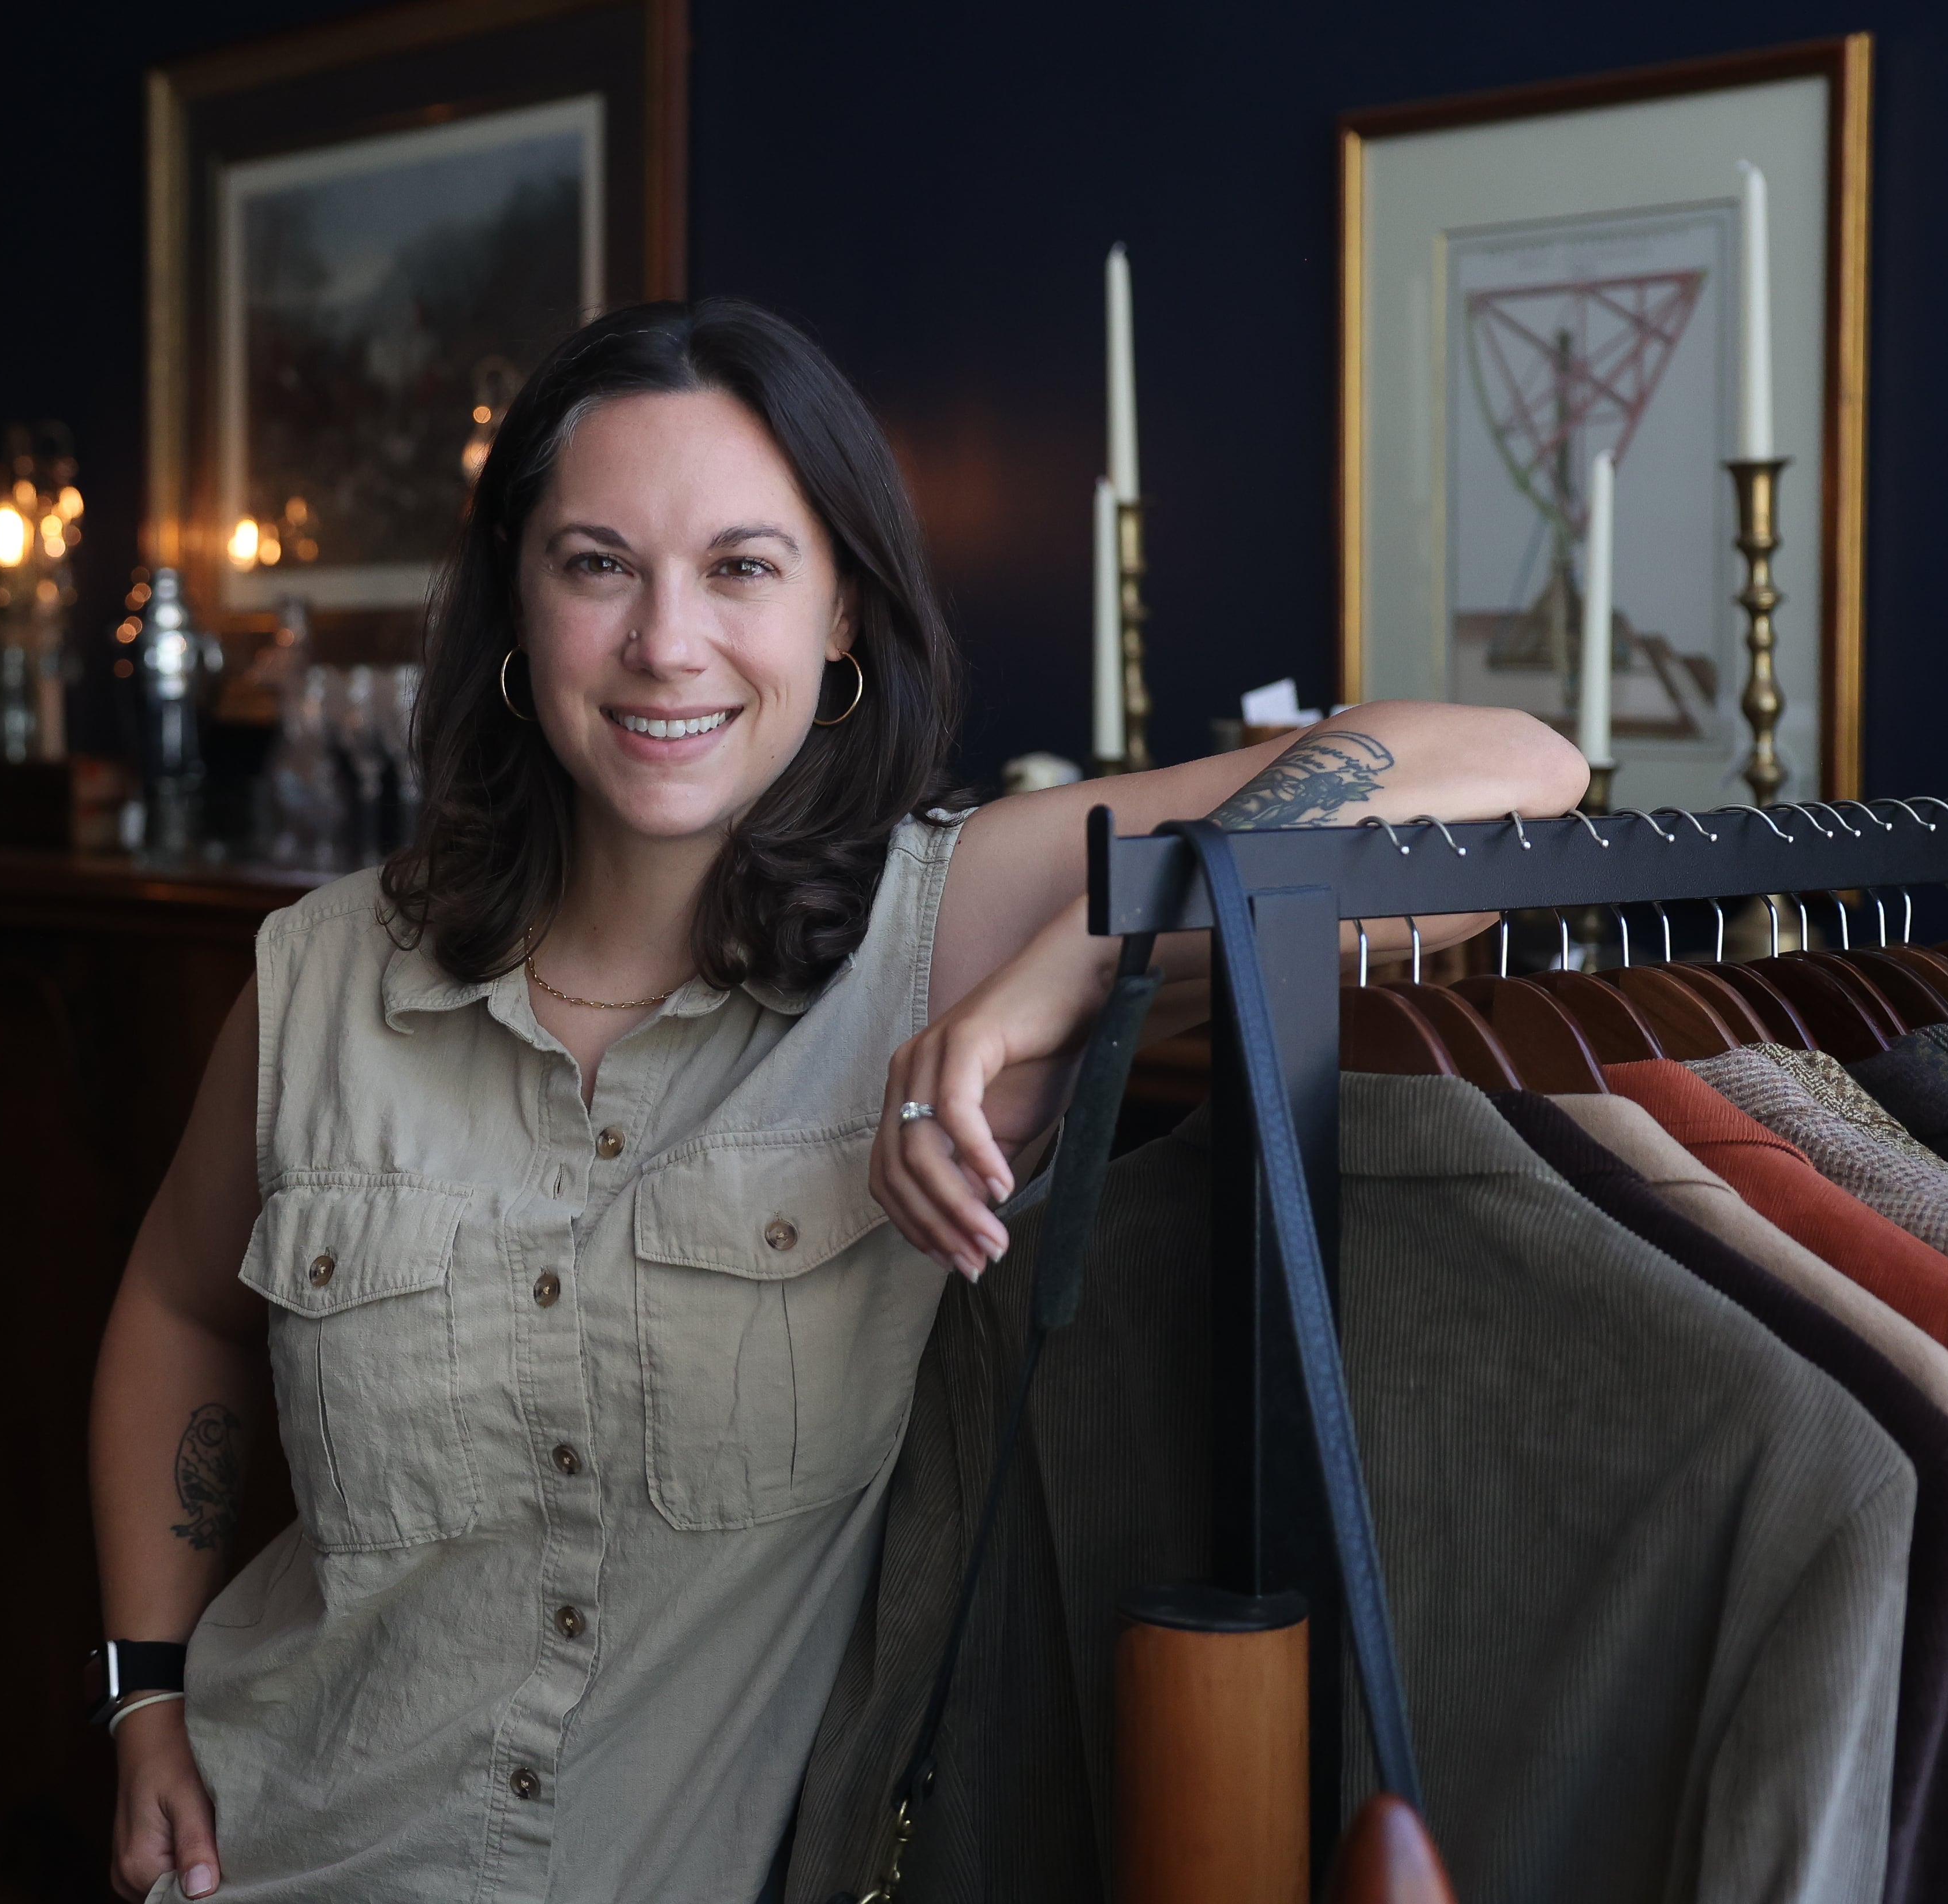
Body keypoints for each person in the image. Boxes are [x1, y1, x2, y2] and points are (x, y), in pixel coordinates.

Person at [89, 297, 1585, 1902]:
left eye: (742, 566)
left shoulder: (938, 926)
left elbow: (1507, 760)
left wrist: (1063, 968)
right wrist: (146, 1692)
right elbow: (178, 1303)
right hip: (272, 1854)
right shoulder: (319, 980)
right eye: (598, 563)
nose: (667, 641)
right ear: (516, 605)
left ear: (841, 616)